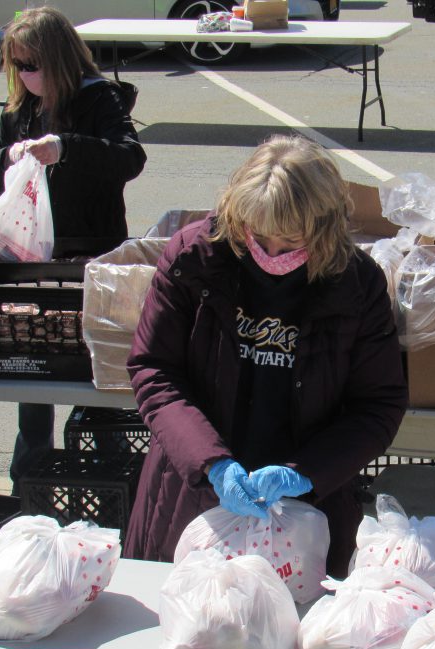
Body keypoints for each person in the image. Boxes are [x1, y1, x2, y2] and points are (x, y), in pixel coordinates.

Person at [125, 134, 409, 577]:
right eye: (258, 235)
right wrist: (212, 462)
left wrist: (305, 472)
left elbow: (378, 404)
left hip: (307, 513)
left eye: (289, 241)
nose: (270, 253)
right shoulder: (194, 258)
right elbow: (154, 370)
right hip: (191, 498)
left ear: (324, 226)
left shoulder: (356, 284)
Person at [0, 6, 146, 493]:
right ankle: (28, 482)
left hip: (91, 252)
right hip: (33, 257)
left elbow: (130, 157)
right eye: (18, 66)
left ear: (57, 59)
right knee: (32, 368)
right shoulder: (19, 109)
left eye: (32, 64)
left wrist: (67, 148)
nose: (25, 75)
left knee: (96, 367)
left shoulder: (99, 99)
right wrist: (9, 158)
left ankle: (110, 476)